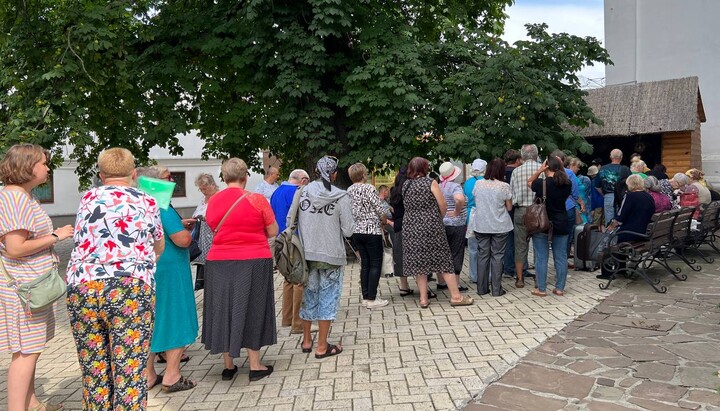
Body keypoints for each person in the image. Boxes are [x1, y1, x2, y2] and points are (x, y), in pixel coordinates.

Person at [66, 147, 165, 410]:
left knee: (94, 369)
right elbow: (158, 244)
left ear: (101, 174)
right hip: (129, 287)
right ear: (133, 173)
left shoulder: (87, 199)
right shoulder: (147, 201)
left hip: (83, 287)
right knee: (130, 369)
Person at [0, 144, 74, 411]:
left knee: (29, 349)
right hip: (25, 288)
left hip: (31, 286)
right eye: (43, 163)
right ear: (27, 166)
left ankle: (32, 403)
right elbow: (15, 248)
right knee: (25, 354)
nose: (47, 168)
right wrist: (56, 236)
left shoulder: (21, 196)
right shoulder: (16, 198)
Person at [202, 158, 277, 382]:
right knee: (254, 306)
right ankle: (255, 365)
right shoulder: (257, 199)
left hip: (218, 261)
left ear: (224, 178)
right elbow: (273, 230)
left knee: (223, 307)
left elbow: (211, 225)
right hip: (254, 259)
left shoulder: (213, 201)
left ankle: (228, 365)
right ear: (246, 177)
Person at [136, 166, 198, 393]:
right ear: (153, 183)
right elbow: (181, 240)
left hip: (150, 270)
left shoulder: (140, 203)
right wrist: (189, 234)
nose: (171, 181)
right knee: (175, 317)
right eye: (166, 177)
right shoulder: (161, 203)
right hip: (170, 271)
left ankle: (148, 374)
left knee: (154, 320)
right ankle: (172, 374)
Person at [297, 156, 354, 359]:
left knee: (309, 296)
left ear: (315, 171)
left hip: (306, 253)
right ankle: (322, 347)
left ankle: (306, 340)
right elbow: (348, 231)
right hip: (331, 254)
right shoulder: (341, 196)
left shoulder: (302, 192)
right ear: (334, 173)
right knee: (328, 298)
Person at [403, 157, 473, 308]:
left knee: (420, 264)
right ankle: (456, 296)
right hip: (431, 226)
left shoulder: (406, 185)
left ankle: (423, 299)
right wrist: (437, 218)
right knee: (444, 260)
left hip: (411, 227)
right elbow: (443, 205)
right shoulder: (431, 182)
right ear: (424, 168)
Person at [270, 169, 311, 334]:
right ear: (303, 180)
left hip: (280, 241)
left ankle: (286, 318)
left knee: (288, 279)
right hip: (295, 241)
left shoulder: (276, 192)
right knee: (300, 280)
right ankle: (298, 323)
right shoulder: (297, 192)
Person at [527, 154, 572, 297]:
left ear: (547, 166)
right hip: (561, 222)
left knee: (541, 256)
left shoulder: (542, 184)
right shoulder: (567, 183)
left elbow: (529, 182)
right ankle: (559, 288)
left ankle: (541, 289)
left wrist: (540, 170)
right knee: (561, 256)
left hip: (543, 222)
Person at [597, 174, 656, 280]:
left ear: (630, 184)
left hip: (632, 232)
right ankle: (621, 269)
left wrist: (610, 227)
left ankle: (607, 273)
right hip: (644, 232)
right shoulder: (648, 196)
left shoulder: (630, 196)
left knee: (609, 239)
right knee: (617, 236)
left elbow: (620, 218)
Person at [469, 159, 513, 297]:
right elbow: (509, 207)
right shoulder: (504, 186)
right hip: (500, 225)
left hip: (481, 224)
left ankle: (481, 289)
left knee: (483, 255)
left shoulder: (478, 184)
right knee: (498, 256)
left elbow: (476, 200)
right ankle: (496, 289)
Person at [347, 163, 389, 309]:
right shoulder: (369, 188)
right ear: (364, 175)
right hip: (372, 230)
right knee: (375, 264)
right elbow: (379, 208)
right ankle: (372, 298)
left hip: (357, 230)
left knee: (365, 264)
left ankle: (365, 296)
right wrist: (384, 221)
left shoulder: (349, 190)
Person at [510, 144, 540, 288]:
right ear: (536, 155)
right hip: (538, 211)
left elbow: (511, 193)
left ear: (522, 156)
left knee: (520, 245)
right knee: (539, 245)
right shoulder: (542, 169)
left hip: (520, 210)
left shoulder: (516, 171)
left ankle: (520, 278)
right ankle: (539, 277)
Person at [438, 162, 468, 292]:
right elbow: (459, 199)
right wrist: (457, 211)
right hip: (456, 224)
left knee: (442, 252)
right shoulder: (455, 187)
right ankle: (456, 284)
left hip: (441, 223)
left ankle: (441, 281)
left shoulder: (438, 186)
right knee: (456, 252)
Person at [187, 173, 220, 290]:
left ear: (212, 185)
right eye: (201, 189)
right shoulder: (203, 199)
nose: (203, 192)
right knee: (204, 266)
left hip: (213, 236)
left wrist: (208, 218)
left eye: (205, 189)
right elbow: (197, 212)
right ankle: (208, 288)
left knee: (214, 266)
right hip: (202, 238)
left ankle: (215, 288)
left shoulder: (218, 197)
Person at [388, 169, 414, 296]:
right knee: (416, 255)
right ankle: (424, 288)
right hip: (412, 225)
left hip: (398, 226)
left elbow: (392, 209)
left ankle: (404, 286)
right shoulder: (410, 190)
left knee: (400, 255)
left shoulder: (393, 191)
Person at [502, 149, 525, 279]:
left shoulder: (501, 172)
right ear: (517, 160)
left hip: (503, 210)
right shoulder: (518, 172)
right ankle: (520, 268)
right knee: (520, 240)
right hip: (515, 207)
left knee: (508, 240)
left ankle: (508, 267)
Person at [463, 159, 487, 284]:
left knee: (473, 248)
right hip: (484, 216)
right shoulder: (487, 182)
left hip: (470, 216)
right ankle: (485, 276)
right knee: (485, 248)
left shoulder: (467, 183)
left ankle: (474, 275)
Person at [595, 149, 631, 225]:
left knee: (609, 222)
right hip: (623, 197)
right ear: (621, 157)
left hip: (608, 196)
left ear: (610, 157)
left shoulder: (603, 169)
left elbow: (597, 186)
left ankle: (610, 235)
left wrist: (605, 195)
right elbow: (631, 185)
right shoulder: (626, 169)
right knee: (621, 220)